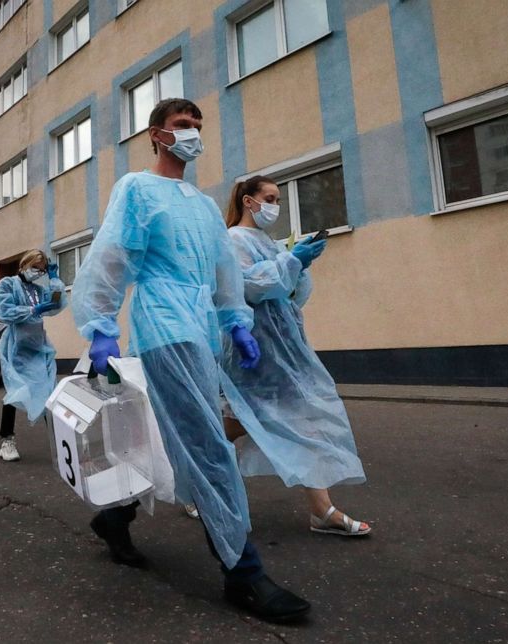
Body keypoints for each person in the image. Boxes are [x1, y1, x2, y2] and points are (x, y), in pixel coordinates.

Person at [71, 98, 310, 624]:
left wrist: (235, 322)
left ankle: (115, 519)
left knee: (164, 437)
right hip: (164, 325)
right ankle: (243, 573)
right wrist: (101, 326)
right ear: (157, 135)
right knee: (206, 442)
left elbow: (225, 269)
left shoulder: (202, 206)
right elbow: (111, 257)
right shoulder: (136, 189)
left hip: (199, 328)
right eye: (182, 126)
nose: (193, 135)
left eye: (198, 126)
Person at [220, 176, 370, 536]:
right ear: (247, 201)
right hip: (255, 348)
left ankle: (323, 510)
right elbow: (248, 288)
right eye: (269, 198)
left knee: (298, 418)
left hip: (283, 348)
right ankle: (199, 481)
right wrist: (289, 263)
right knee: (245, 420)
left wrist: (298, 265)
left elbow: (290, 295)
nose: (275, 205)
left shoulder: (267, 242)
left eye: (278, 199)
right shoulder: (232, 240)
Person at [0, 249, 66, 461]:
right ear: (24, 264)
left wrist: (54, 279)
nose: (37, 273)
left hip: (38, 345)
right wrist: (32, 311)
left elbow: (56, 304)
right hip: (16, 346)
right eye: (35, 268)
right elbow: (2, 310)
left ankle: (60, 441)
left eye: (41, 271)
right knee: (15, 391)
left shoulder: (38, 290)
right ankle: (7, 441)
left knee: (47, 391)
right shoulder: (8, 284)